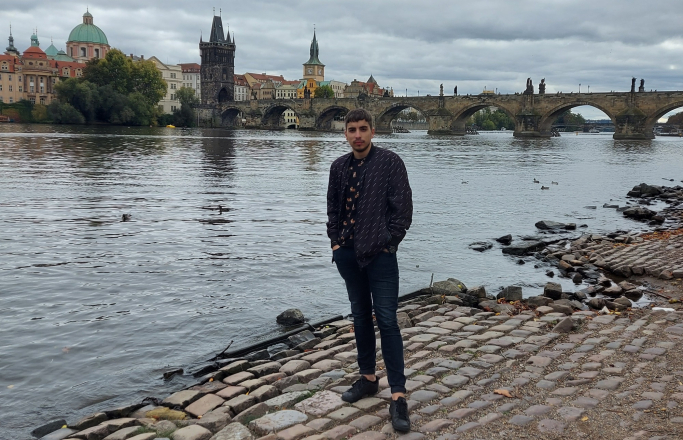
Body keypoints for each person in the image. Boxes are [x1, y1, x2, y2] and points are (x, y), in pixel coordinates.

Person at [326, 108, 413, 432]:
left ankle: (398, 395)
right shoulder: (338, 167)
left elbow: (403, 209)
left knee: (387, 320)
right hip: (348, 253)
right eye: (352, 130)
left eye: (363, 129)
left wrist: (390, 243)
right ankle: (368, 378)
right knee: (360, 316)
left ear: (373, 131)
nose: (358, 135)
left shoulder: (390, 163)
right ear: (345, 134)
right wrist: (335, 243)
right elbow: (332, 208)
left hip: (380, 255)